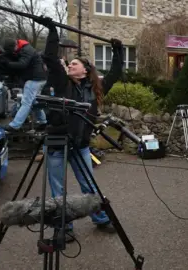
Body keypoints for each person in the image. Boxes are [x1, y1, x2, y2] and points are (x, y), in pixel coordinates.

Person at [36, 16, 124, 241]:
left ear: (85, 71)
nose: (70, 65)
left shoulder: (96, 89)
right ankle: (64, 228)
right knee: (58, 190)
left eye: (74, 64)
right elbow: (50, 57)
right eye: (70, 63)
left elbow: (115, 72)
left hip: (81, 146)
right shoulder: (61, 81)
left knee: (88, 185)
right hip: (57, 144)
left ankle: (101, 219)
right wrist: (52, 31)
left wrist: (118, 51)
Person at [0, 38, 47, 132]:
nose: (13, 52)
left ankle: (15, 126)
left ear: (15, 46)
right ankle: (43, 122)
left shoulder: (27, 49)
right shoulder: (23, 49)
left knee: (26, 102)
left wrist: (7, 63)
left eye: (12, 50)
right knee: (34, 102)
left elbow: (22, 64)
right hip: (37, 78)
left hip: (34, 79)